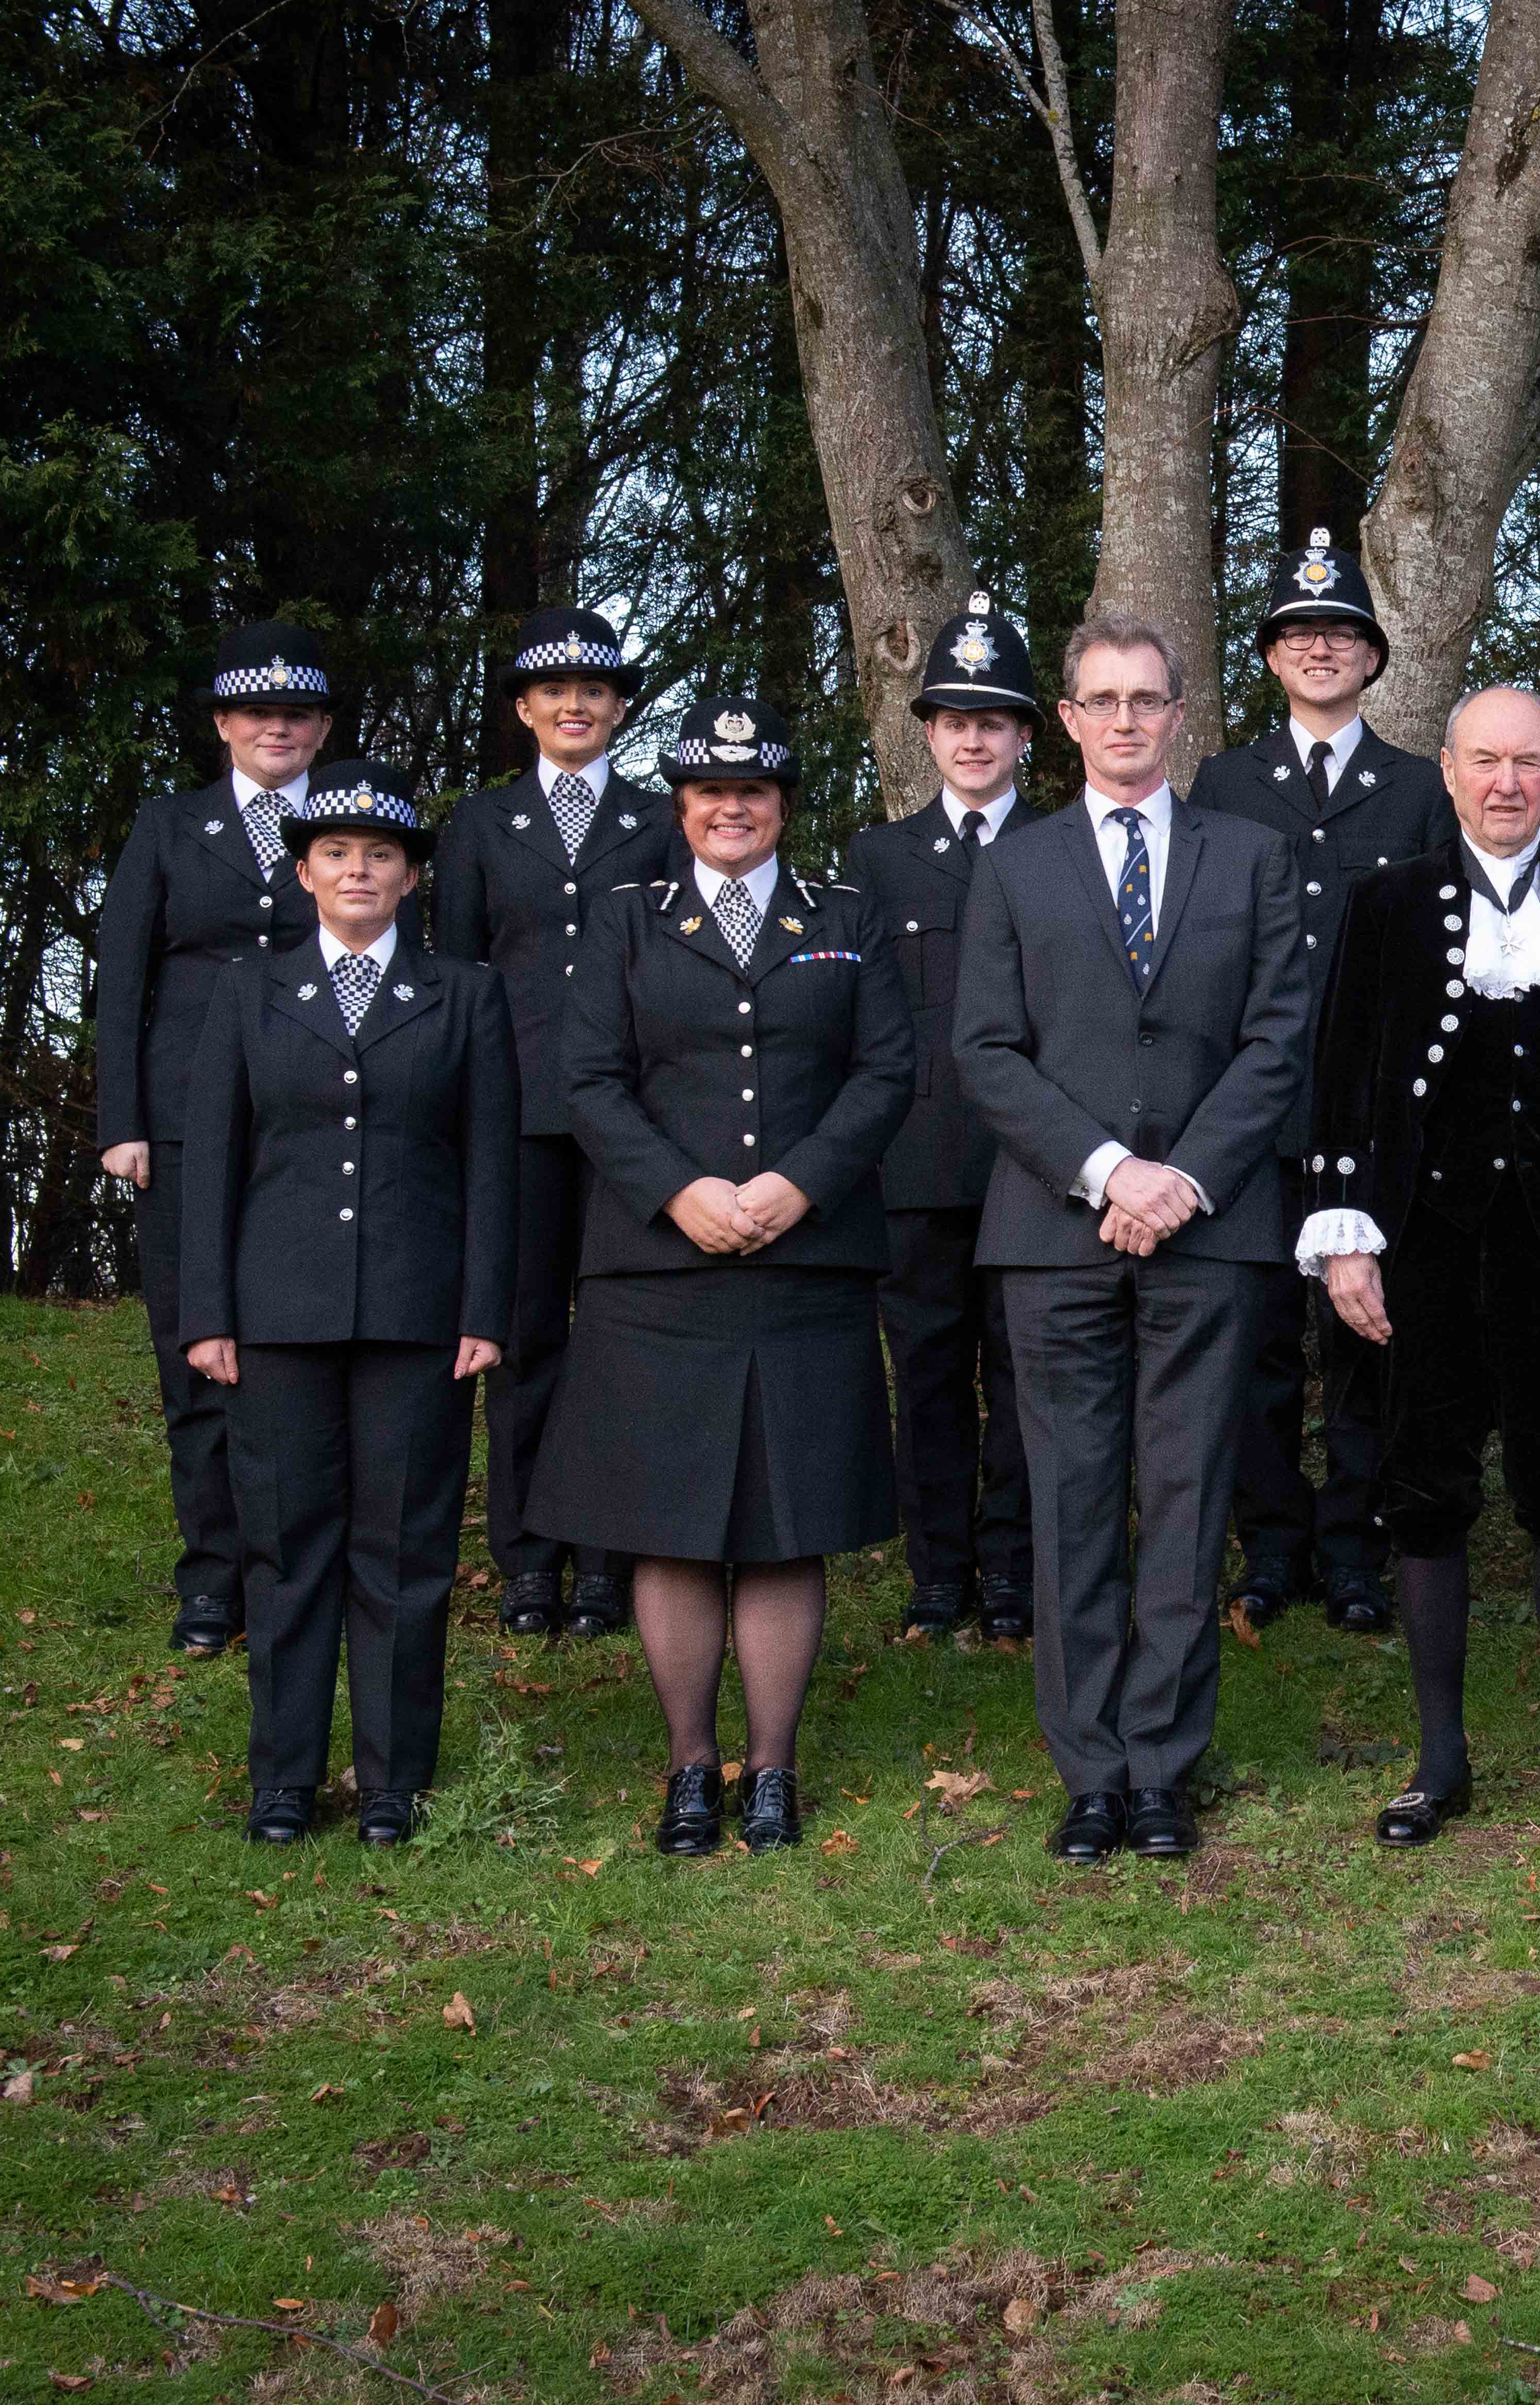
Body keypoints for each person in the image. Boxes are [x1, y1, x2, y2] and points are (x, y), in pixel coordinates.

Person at [958, 615, 1310, 1866]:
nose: (1123, 720)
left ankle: (1162, 1765)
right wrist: (1110, 1172)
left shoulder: (1253, 858)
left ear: (1179, 716)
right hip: (1056, 1236)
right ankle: (1089, 1770)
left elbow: (1278, 1040)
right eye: (1100, 700)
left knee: (1184, 1494)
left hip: (1210, 1235)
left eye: (1146, 700)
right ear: (1064, 721)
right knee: (1070, 1500)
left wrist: (1184, 1182)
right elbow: (985, 1051)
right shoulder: (1015, 867)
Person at [534, 699, 913, 1858]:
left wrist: (800, 1184)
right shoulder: (626, 922)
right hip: (662, 1268)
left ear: (782, 806)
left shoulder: (848, 916)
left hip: (808, 1258)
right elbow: (589, 1078)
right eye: (708, 792)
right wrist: (681, 1192)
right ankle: (692, 1765)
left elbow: (888, 1070)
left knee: (787, 1522)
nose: (731, 809)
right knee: (673, 1526)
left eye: (752, 793)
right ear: (681, 806)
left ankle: (773, 1770)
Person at [1304, 687, 1540, 1848]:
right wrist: (1343, 1228)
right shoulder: (1387, 903)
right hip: (1424, 1239)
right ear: (1451, 774)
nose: (1506, 782)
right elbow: (1344, 1067)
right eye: (1485, 762)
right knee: (1426, 1493)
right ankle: (1441, 1758)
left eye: (1527, 763)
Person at [180, 759, 518, 1846]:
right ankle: (284, 1775)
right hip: (275, 1313)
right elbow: (214, 1163)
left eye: (381, 854)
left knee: (408, 1550)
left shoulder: (464, 992)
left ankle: (391, 1780)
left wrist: (486, 1307)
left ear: (413, 876)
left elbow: (490, 1162)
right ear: (303, 870)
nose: (359, 870)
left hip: (421, 1313)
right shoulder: (250, 989)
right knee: (284, 1545)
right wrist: (207, 1313)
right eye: (337, 853)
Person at [1187, 529, 1452, 1633]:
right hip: (1248, 1109)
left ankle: (1354, 1545)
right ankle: (1272, 1546)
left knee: (1363, 1340)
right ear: (1270, 658)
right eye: (1300, 634)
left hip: (1368, 1114)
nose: (1321, 650)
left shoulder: (1415, 790)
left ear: (1375, 659)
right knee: (1254, 1339)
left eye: (1341, 633)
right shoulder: (1222, 783)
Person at [433, 606, 678, 1640]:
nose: (575, 707)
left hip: (631, 1113)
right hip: (518, 1111)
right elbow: (452, 972)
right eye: (554, 693)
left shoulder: (661, 823)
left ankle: (609, 1565)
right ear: (525, 710)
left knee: (621, 1338)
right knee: (527, 1338)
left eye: (595, 692)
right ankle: (531, 1559)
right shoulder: (482, 828)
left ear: (620, 707)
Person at [95, 621, 335, 1658]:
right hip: (188, 1126)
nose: (277, 729)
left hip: (315, 1124)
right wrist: (123, 1125)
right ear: (225, 725)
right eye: (257, 713)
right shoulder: (168, 826)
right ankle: (212, 1579)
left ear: (321, 728)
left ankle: (298, 1561)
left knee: (298, 1348)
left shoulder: (355, 827)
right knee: (193, 1352)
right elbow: (121, 981)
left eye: (297, 715)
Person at [842, 593, 1041, 1640]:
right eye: (954, 718)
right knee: (923, 1375)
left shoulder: (1062, 851)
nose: (973, 737)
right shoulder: (876, 864)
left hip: (1034, 1165)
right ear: (926, 733)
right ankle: (938, 1568)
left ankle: (1012, 1569)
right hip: (916, 1167)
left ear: (1023, 736)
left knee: (1024, 1377)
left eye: (994, 718)